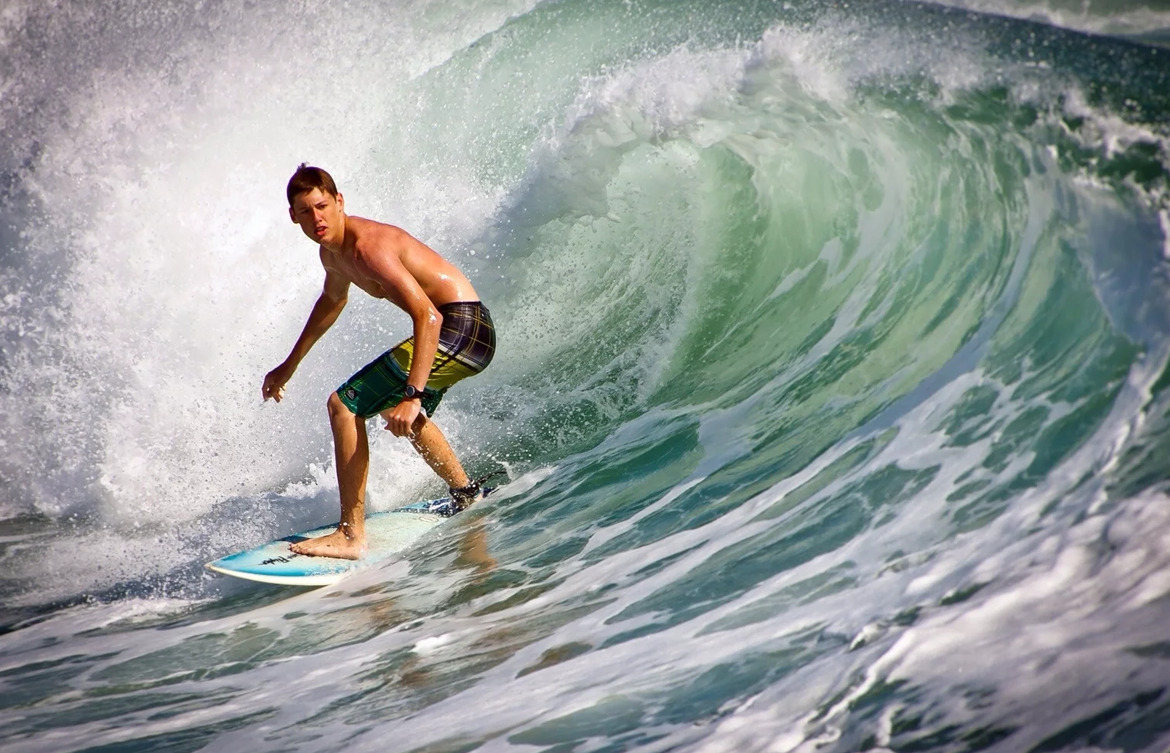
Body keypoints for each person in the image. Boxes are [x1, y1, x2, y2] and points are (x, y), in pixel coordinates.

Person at [262, 164, 496, 560]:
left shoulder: (368, 248)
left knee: (344, 404)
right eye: (305, 211)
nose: (316, 218)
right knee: (389, 404)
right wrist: (289, 364)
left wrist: (414, 394)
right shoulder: (332, 255)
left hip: (462, 328)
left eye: (322, 206)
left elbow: (429, 316)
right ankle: (466, 493)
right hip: (463, 332)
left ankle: (351, 535)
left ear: (339, 202)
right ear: (293, 216)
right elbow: (332, 301)